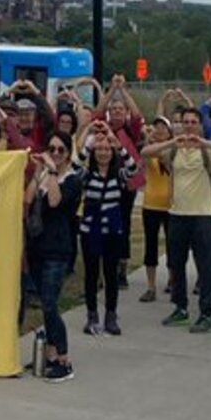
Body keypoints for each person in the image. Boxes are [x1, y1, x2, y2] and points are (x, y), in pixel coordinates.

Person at [144, 108, 211, 334]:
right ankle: (181, 308)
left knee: (205, 266)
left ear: (200, 125)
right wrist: (172, 142)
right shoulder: (173, 152)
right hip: (177, 214)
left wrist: (204, 142)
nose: (189, 126)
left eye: (193, 122)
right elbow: (146, 151)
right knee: (177, 264)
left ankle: (205, 312)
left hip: (203, 215)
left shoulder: (209, 153)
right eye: (185, 122)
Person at [25, 132, 83, 383]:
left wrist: (51, 173)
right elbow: (28, 199)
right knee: (45, 303)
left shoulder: (72, 180)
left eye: (61, 150)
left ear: (69, 153)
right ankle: (48, 353)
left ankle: (64, 358)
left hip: (58, 250)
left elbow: (55, 201)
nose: (56, 153)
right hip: (38, 247)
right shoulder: (44, 175)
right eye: (52, 149)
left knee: (50, 303)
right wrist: (39, 170)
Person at [77, 122, 139, 335]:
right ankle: (92, 314)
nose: (103, 153)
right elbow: (75, 167)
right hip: (90, 230)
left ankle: (111, 315)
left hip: (112, 230)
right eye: (99, 149)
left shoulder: (118, 176)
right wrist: (89, 143)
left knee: (111, 274)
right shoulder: (88, 176)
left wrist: (118, 143)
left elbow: (133, 167)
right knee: (92, 274)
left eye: (106, 149)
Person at [94, 74, 146, 288]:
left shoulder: (129, 130)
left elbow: (137, 115)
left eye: (120, 110)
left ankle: (121, 270)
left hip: (126, 184)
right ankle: (102, 270)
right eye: (113, 109)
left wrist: (122, 90)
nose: (116, 112)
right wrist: (110, 92)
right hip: (104, 183)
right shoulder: (102, 128)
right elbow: (97, 112)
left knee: (122, 226)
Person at [139, 116, 173, 302]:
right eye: (157, 127)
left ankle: (172, 280)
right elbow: (144, 153)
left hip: (170, 205)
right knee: (150, 245)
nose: (159, 131)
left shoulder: (173, 150)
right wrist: (149, 138)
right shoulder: (150, 150)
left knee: (172, 244)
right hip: (151, 203)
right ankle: (151, 286)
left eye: (163, 128)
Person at [7, 79, 55, 152]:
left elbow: (50, 120)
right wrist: (8, 92)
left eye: (27, 114)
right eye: (20, 114)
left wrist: (36, 92)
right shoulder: (9, 134)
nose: (23, 118)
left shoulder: (41, 135)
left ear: (34, 116)